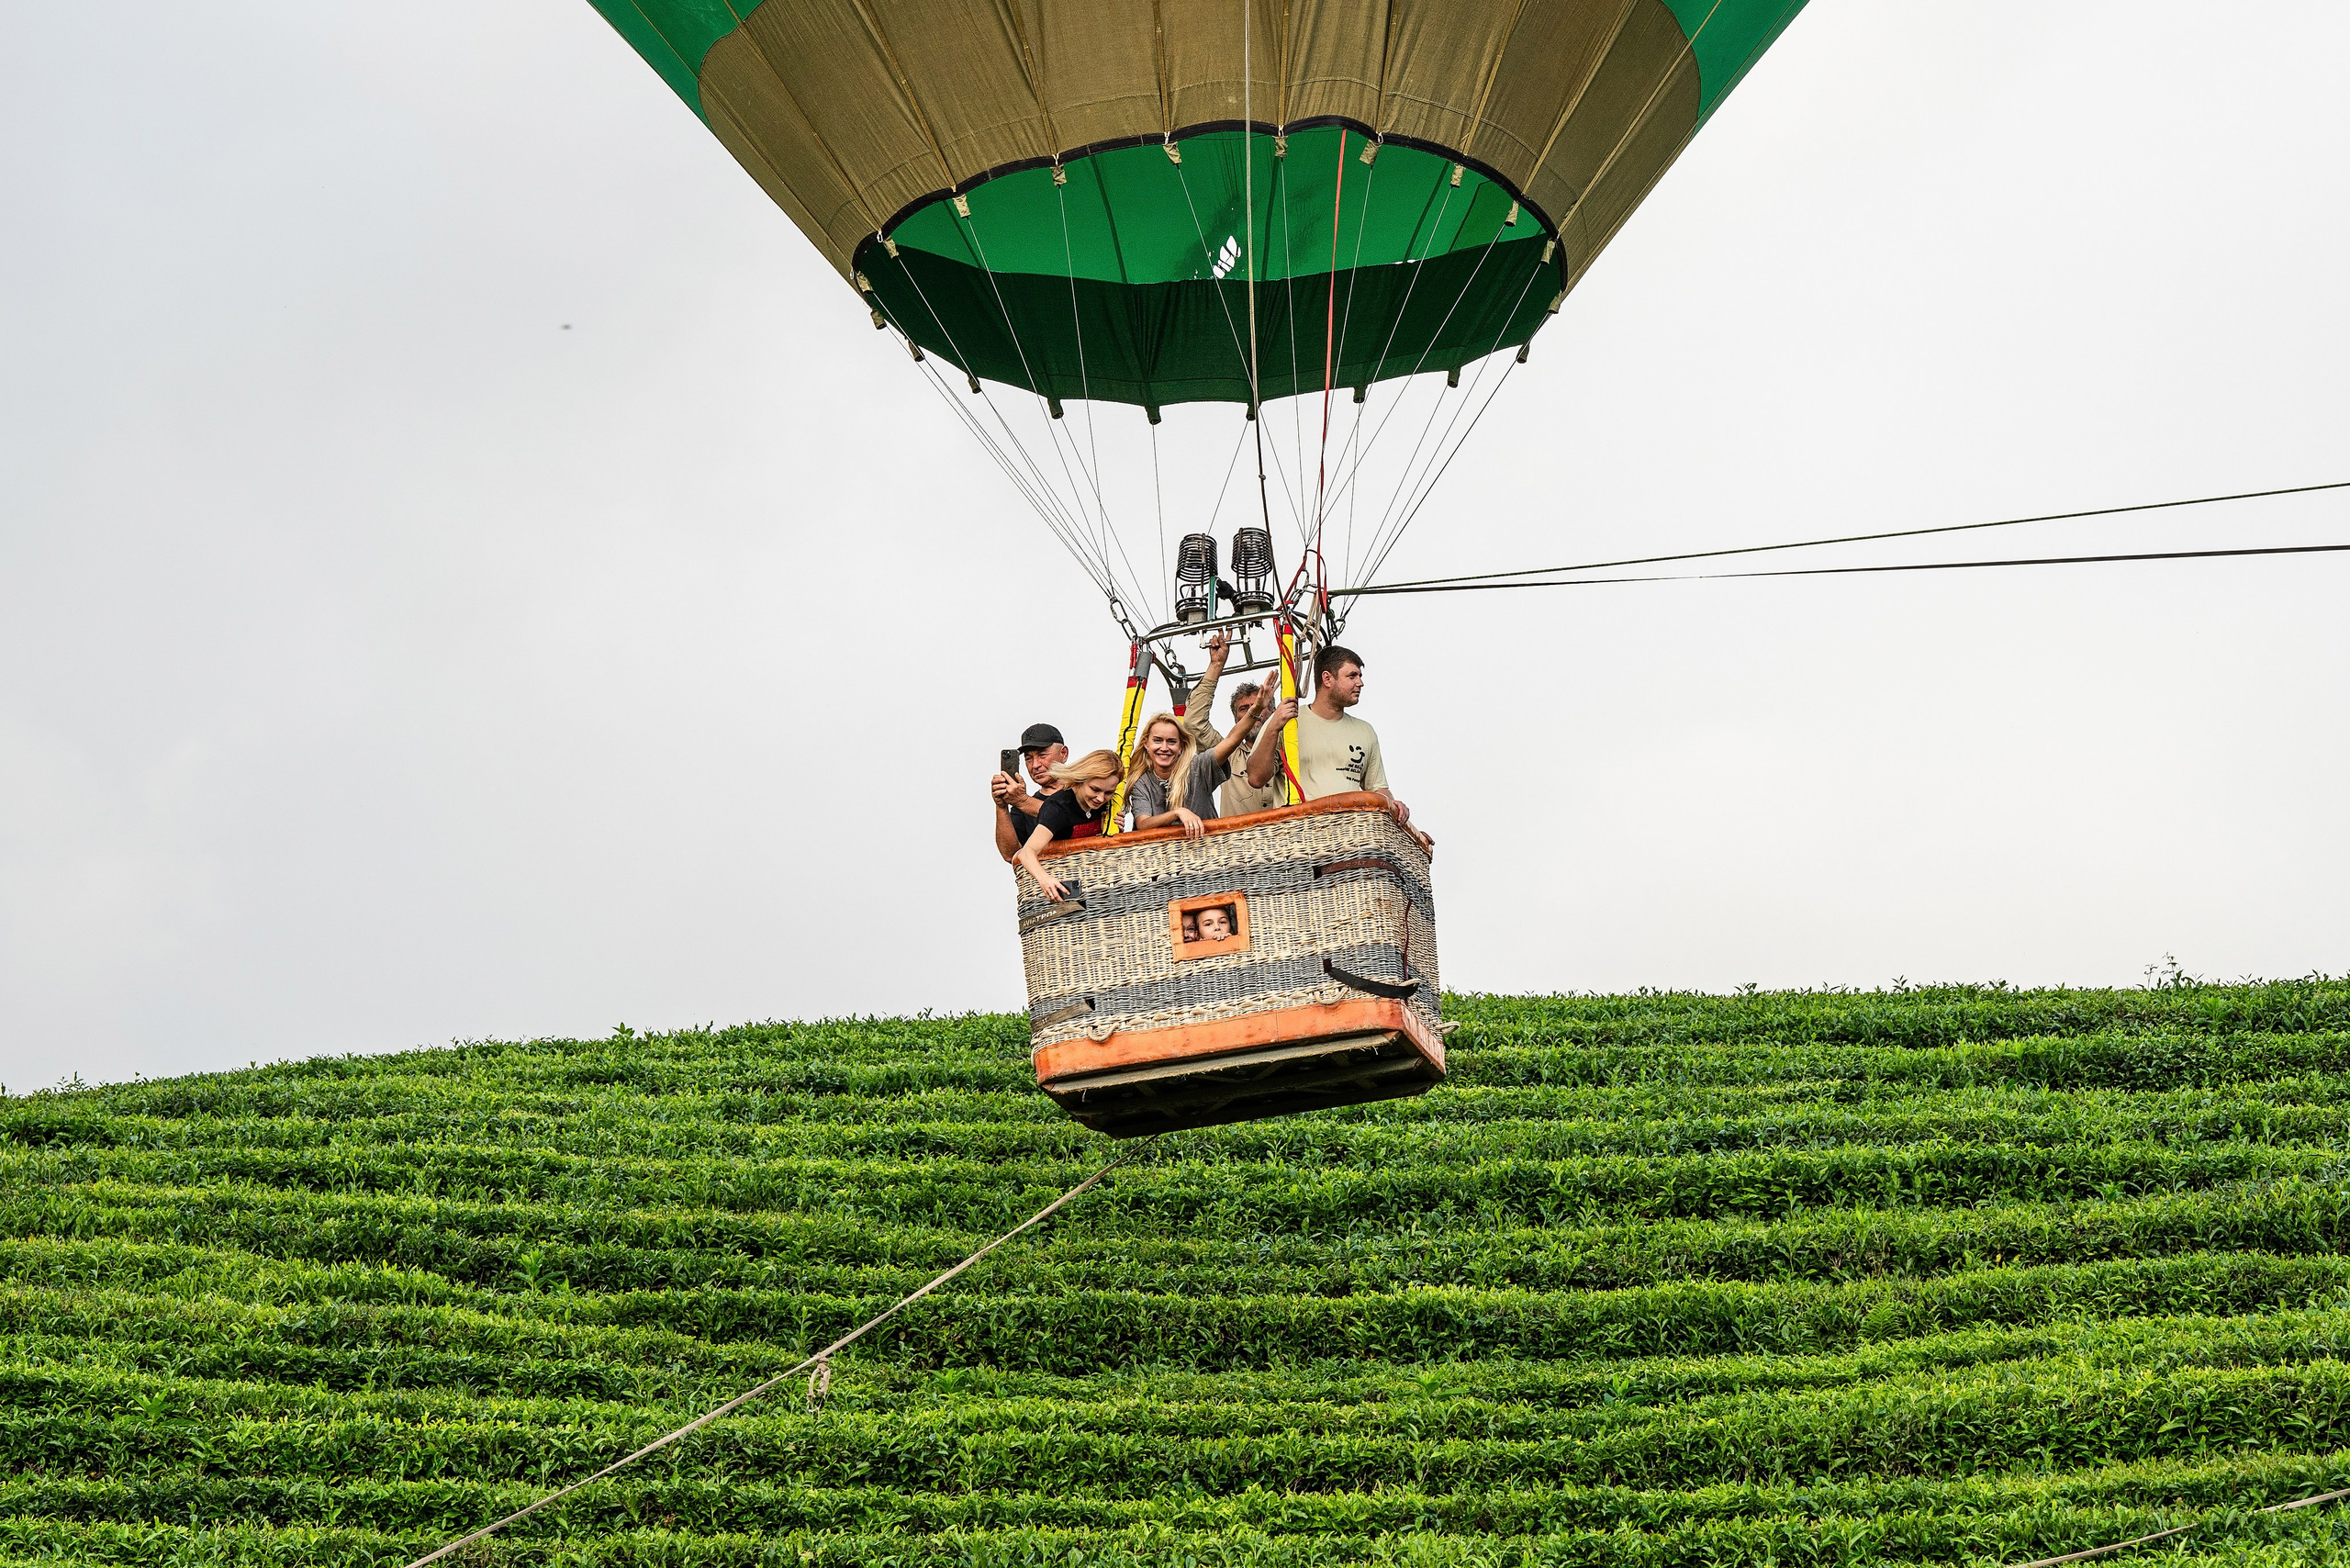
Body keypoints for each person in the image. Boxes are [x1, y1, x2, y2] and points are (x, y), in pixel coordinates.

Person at [1248, 644, 1433, 852]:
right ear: (1327, 679)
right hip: (1300, 842)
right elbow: (1256, 778)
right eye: (1352, 676)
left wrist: (1402, 818)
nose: (1360, 683)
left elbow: (1377, 789)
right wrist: (1273, 726)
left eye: (1360, 676)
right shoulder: (1286, 720)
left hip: (1349, 844)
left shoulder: (1366, 731)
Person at [1179, 631, 1283, 819]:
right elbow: (1193, 725)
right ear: (1236, 719)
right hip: (1237, 846)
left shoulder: (1289, 747)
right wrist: (1216, 666)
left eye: (1260, 706)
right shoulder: (1228, 754)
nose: (1255, 712)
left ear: (1273, 711)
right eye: (1245, 709)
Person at [1014, 749, 1124, 902]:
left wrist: (1115, 830)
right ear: (1081, 779)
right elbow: (1026, 852)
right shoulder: (1058, 808)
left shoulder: (1106, 805)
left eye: (1109, 792)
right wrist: (1046, 880)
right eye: (1095, 789)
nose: (1100, 798)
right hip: (1062, 886)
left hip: (1094, 885)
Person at [1119, 712, 1206, 838]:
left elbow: (1230, 742)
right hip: (1159, 855)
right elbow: (1142, 823)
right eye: (1158, 740)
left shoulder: (1198, 767)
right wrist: (1177, 812)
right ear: (1146, 744)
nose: (1164, 748)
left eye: (1171, 741)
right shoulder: (1140, 781)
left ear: (1180, 746)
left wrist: (1247, 718)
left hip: (1204, 850)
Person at [992, 722, 1068, 861]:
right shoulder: (1019, 808)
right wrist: (1001, 806)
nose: (1035, 765)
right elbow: (1010, 855)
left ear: (1063, 754)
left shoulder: (1085, 791)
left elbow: (1067, 818)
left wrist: (1022, 801)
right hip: (1045, 881)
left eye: (1043, 755)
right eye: (1028, 758)